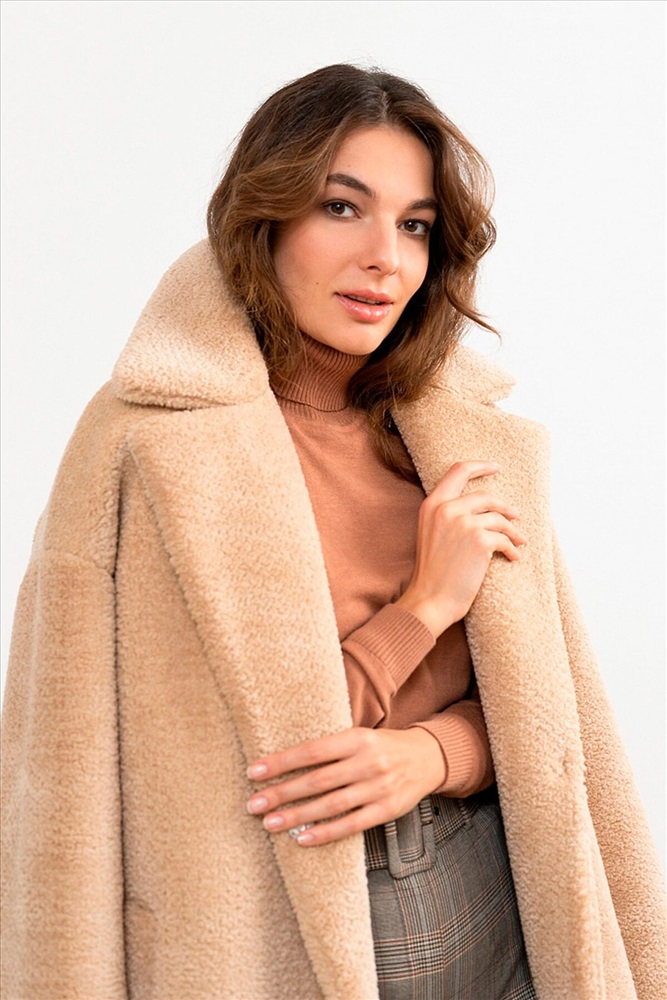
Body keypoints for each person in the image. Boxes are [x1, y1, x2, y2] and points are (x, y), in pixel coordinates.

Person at [1, 63, 664, 1000]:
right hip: (282, 920)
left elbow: (543, 707)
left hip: (497, 889)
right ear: (264, 218)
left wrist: (433, 754)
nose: (384, 258)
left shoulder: (457, 433)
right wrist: (423, 608)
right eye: (342, 208)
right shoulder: (152, 445)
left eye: (414, 225)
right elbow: (240, 763)